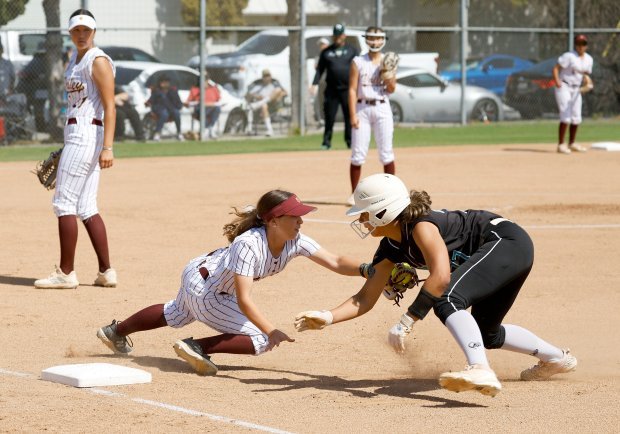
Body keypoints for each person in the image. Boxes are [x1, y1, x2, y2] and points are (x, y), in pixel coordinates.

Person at [295, 174, 577, 397]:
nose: (360, 219)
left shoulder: (421, 226)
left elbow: (440, 277)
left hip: (505, 242)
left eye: (364, 213)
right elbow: (364, 298)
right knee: (486, 333)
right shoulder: (390, 247)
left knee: (447, 298)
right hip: (505, 252)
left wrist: (407, 321)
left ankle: (479, 369)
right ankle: (556, 359)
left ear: (383, 212)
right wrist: (328, 316)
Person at [96, 190, 374, 375]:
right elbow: (244, 298)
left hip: (203, 276)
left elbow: (336, 261)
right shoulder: (249, 244)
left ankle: (115, 331)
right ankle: (198, 347)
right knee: (260, 339)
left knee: (176, 312)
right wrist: (271, 331)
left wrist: (366, 270)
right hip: (207, 289)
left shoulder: (295, 240)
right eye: (294, 215)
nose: (301, 220)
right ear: (274, 221)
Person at [34, 9, 117, 289]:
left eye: (86, 30)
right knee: (85, 206)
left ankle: (66, 273)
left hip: (87, 133)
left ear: (94, 32)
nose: (81, 35)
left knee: (63, 203)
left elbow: (109, 106)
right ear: (70, 34)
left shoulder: (98, 60)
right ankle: (106, 271)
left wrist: (108, 147)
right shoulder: (75, 59)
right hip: (77, 132)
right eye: (76, 31)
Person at [347, 27, 397, 205]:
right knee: (358, 153)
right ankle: (354, 194)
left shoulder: (387, 60)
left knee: (386, 152)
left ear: (383, 40)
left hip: (382, 107)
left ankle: (392, 192)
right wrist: (353, 114)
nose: (374, 42)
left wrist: (388, 75)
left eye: (378, 38)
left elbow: (392, 89)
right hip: (363, 107)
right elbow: (352, 89)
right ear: (366, 40)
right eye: (371, 38)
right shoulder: (358, 61)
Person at [311, 24, 359, 150]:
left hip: (347, 89)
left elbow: (359, 68)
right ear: (333, 36)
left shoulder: (352, 50)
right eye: (335, 35)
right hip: (331, 90)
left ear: (344, 35)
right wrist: (314, 84)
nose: (338, 37)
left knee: (349, 116)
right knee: (329, 117)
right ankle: (326, 142)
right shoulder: (326, 52)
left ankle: (350, 141)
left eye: (340, 34)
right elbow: (320, 70)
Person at [553, 34, 593, 155]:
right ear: (575, 45)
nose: (581, 46)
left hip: (576, 88)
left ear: (586, 46)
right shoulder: (569, 56)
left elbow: (585, 74)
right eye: (579, 44)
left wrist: (588, 82)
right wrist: (557, 81)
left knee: (576, 117)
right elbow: (556, 68)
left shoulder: (589, 59)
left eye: (583, 44)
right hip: (564, 86)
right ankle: (561, 144)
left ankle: (572, 143)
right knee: (566, 115)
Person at [245, 69, 287, 137]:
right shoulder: (258, 86)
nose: (267, 78)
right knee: (264, 106)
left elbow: (285, 92)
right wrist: (257, 97)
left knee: (278, 90)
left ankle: (261, 103)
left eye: (268, 76)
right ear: (262, 77)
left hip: (273, 105)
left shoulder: (274, 84)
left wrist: (279, 96)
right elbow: (248, 95)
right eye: (265, 76)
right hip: (260, 107)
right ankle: (269, 130)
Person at [184, 70, 221, 139]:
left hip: (212, 109)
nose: (203, 82)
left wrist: (210, 104)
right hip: (199, 110)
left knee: (217, 109)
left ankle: (208, 129)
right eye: (201, 79)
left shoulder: (213, 89)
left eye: (205, 79)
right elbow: (188, 102)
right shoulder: (195, 89)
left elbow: (218, 101)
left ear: (208, 80)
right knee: (202, 110)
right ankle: (208, 130)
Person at [147, 74, 184, 142]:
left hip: (171, 109)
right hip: (159, 109)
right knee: (164, 114)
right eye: (163, 82)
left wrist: (180, 106)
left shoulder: (173, 91)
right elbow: (151, 101)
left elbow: (178, 102)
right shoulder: (156, 91)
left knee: (176, 113)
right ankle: (157, 133)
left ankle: (179, 132)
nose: (164, 84)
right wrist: (148, 103)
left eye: (166, 82)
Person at [311, 37, 331, 126]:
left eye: (323, 44)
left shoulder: (332, 54)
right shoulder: (318, 56)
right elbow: (317, 68)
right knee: (320, 101)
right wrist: (314, 84)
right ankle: (322, 119)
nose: (322, 46)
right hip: (322, 82)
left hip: (332, 82)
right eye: (320, 45)